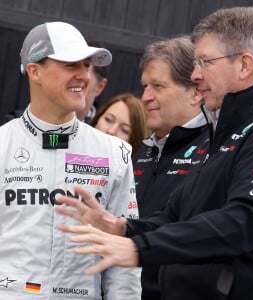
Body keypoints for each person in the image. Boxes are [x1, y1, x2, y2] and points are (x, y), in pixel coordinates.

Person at [55, 6, 253, 300]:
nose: (195, 75)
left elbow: (244, 221)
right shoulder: (224, 131)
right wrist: (122, 227)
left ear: (245, 65)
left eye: (205, 62)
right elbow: (176, 217)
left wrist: (138, 248)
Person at [0, 21, 141, 299]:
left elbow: (123, 255)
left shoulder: (114, 152)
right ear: (34, 71)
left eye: (86, 66)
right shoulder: (3, 144)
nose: (84, 76)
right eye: (70, 65)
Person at [132, 36, 210, 299]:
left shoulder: (214, 152)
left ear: (196, 92)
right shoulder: (146, 150)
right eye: (144, 86)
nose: (145, 97)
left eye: (158, 86)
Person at [76, 41, 109, 122]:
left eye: (86, 67)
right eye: (70, 66)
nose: (74, 76)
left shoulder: (102, 132)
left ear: (99, 87)